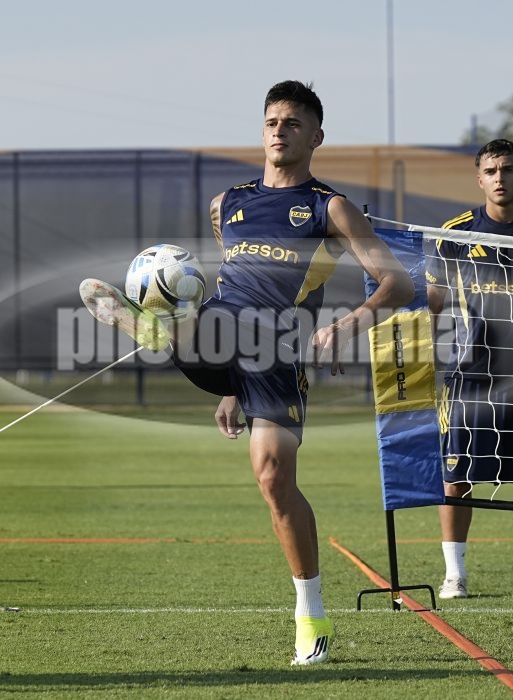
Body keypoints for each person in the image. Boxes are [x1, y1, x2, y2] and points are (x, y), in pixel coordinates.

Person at [80, 80, 414, 663]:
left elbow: (398, 284)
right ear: (262, 131)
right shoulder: (227, 203)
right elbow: (234, 281)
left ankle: (310, 614)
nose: (279, 131)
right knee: (196, 306)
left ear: (316, 137)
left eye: (292, 123)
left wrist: (344, 325)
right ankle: (168, 327)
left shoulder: (329, 207)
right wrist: (230, 385)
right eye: (271, 122)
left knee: (274, 480)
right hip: (221, 331)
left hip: (278, 353)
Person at [426, 138, 513, 600]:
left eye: (509, 169)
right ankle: (454, 573)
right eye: (492, 171)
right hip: (472, 376)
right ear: (479, 179)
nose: (501, 178)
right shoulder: (456, 234)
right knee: (456, 474)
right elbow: (433, 304)